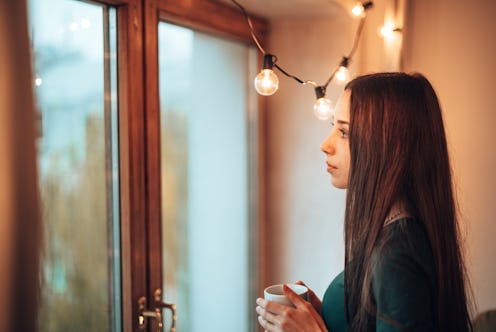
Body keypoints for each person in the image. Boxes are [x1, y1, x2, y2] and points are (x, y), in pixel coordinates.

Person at [255, 72, 473, 331]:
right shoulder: (395, 232)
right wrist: (327, 316)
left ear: (392, 145)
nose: (326, 145)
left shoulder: (397, 254)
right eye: (332, 128)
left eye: (344, 132)